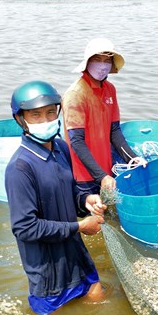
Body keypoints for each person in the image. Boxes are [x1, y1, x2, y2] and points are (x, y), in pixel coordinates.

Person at [4, 80, 107, 315]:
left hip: (76, 255)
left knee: (99, 307)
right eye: (36, 115)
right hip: (47, 269)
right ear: (21, 119)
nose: (46, 120)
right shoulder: (20, 168)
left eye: (51, 112)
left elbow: (71, 193)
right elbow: (24, 228)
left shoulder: (60, 148)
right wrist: (80, 226)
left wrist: (85, 201)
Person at [62, 37, 147, 196]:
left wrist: (132, 158)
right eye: (97, 59)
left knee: (107, 215)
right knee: (91, 218)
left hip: (107, 171)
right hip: (84, 176)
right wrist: (100, 176)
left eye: (107, 60)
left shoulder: (110, 89)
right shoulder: (76, 94)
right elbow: (76, 141)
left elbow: (114, 131)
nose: (102, 64)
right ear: (87, 63)